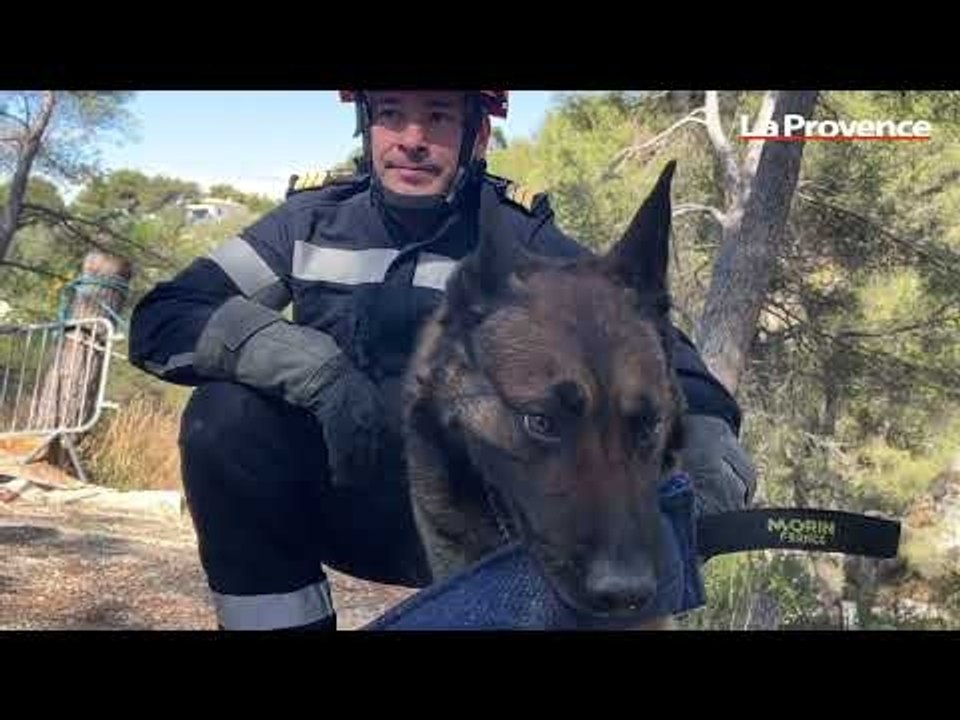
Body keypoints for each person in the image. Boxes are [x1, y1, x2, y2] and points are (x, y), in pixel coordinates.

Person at [128, 90, 756, 631]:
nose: (411, 140)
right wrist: (315, 371)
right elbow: (168, 314)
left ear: (476, 133)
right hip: (346, 492)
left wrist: (704, 428)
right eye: (392, 114)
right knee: (224, 418)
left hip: (482, 525)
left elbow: (639, 336)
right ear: (366, 125)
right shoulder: (308, 223)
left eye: (436, 117)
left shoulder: (522, 241)